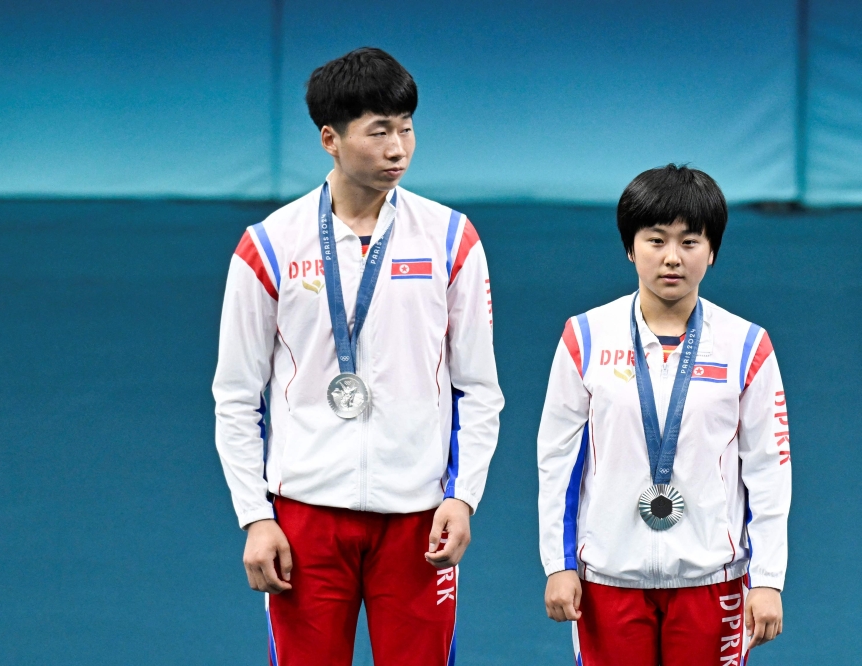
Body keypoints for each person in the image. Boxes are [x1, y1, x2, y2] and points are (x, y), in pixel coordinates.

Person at [213, 47, 503, 665]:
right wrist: (254, 516)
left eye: (406, 127)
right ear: (330, 139)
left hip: (419, 519)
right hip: (304, 522)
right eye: (379, 132)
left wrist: (463, 495)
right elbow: (236, 397)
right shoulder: (267, 247)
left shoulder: (452, 239)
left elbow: (478, 388)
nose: (399, 147)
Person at [536, 165, 791, 665]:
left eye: (690, 241)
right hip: (609, 579)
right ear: (631, 248)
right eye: (656, 240)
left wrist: (768, 580)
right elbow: (558, 460)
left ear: (712, 251)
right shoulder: (585, 337)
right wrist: (558, 563)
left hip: (713, 581)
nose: (672, 257)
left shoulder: (747, 346)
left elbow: (768, 469)